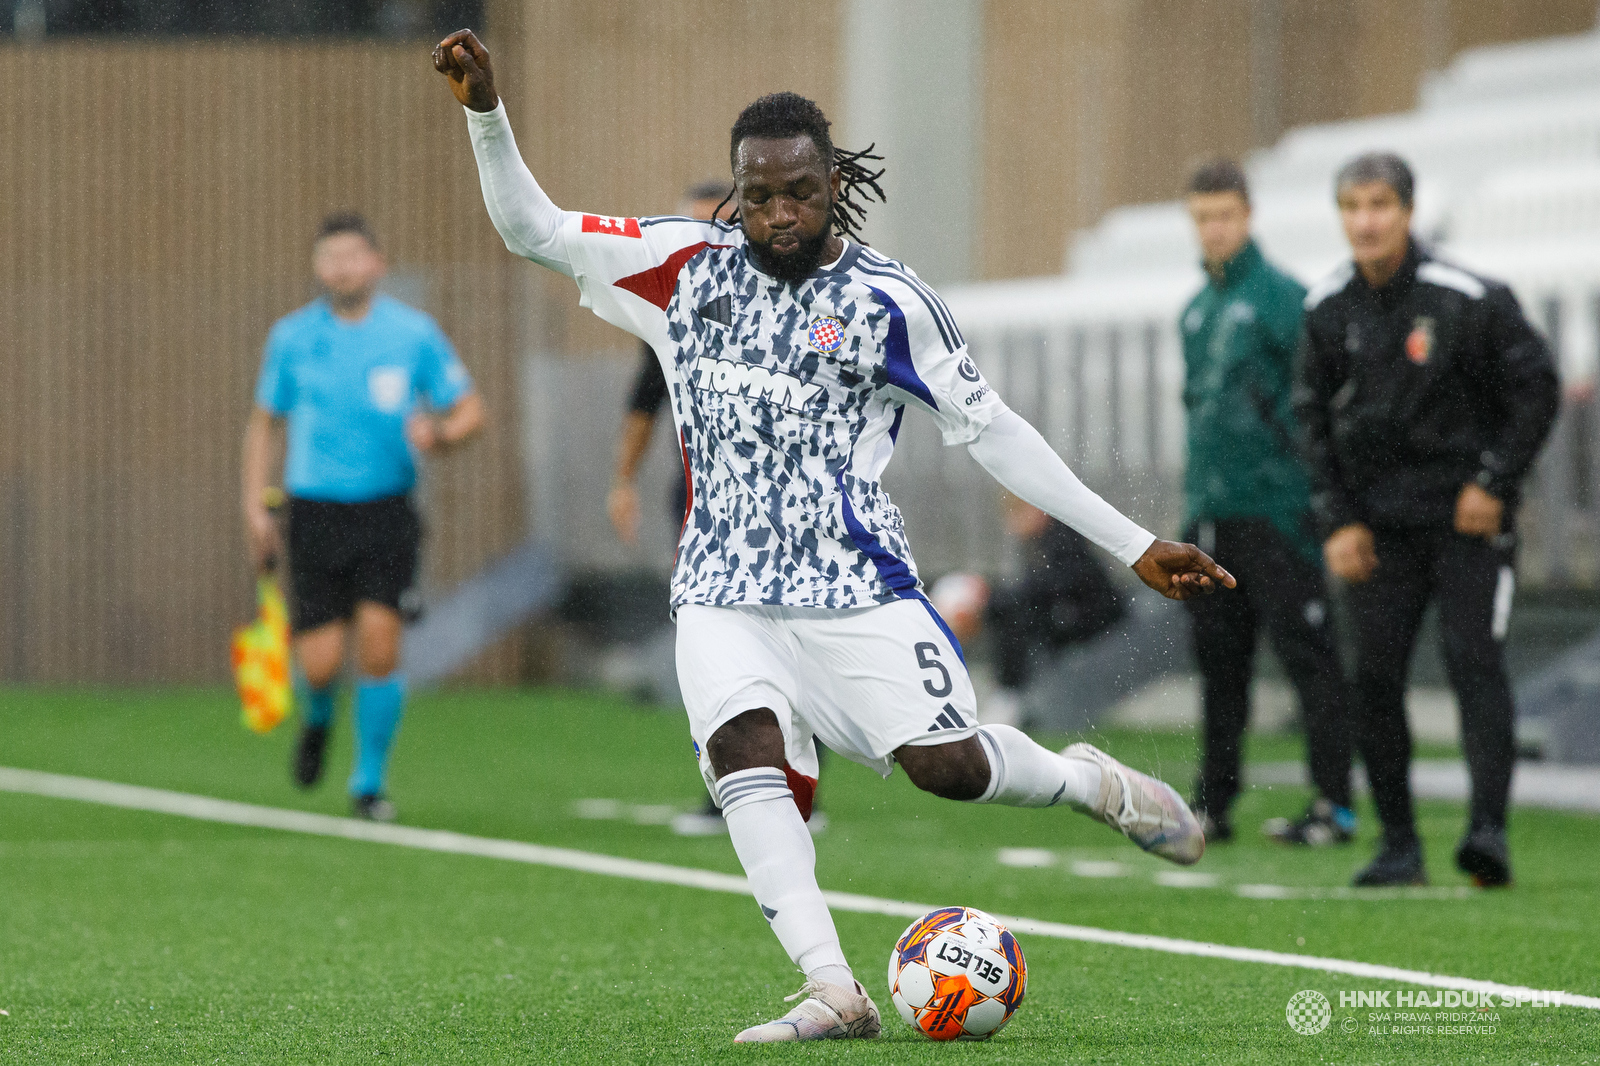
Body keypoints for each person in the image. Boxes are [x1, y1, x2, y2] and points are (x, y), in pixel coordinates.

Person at [435, 30, 1233, 1043]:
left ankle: (1089, 782)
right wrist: (485, 112)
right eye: (759, 194)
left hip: (855, 588)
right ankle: (831, 986)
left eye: (799, 192)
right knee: (741, 755)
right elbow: (532, 228)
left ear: (833, 184)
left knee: (951, 769)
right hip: (721, 588)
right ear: (736, 189)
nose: (778, 213)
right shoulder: (682, 269)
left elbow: (995, 434)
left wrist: (1131, 541)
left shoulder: (886, 304)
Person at [1295, 152, 1559, 887]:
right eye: (1351, 207)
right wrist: (1338, 522)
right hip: (1376, 530)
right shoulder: (1326, 308)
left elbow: (1536, 389)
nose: (1366, 221)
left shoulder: (1469, 298)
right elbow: (1308, 421)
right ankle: (1399, 846)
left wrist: (1495, 481)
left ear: (1407, 212)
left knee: (1476, 665)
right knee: (1373, 679)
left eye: (1379, 205)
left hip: (1468, 523)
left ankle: (1487, 838)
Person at [242, 211, 486, 822]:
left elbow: (469, 412)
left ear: (377, 263)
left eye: (354, 255)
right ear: (317, 267)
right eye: (330, 257)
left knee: (380, 649)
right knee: (319, 664)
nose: (342, 267)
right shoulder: (292, 337)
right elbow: (265, 422)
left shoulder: (414, 333)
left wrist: (441, 432)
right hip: (314, 512)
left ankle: (368, 783)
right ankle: (318, 720)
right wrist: (254, 505)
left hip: (387, 513)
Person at [1178, 159, 1356, 846]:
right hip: (1213, 516)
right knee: (1220, 666)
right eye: (1201, 218)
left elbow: (1319, 405)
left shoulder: (1286, 299)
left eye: (1223, 215)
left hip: (1279, 512)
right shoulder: (1195, 310)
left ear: (1247, 216)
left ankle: (1334, 805)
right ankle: (1214, 804)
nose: (1213, 230)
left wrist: (1318, 496)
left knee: (1309, 658)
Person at [936, 498, 1124, 728]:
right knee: (1011, 613)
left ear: (1034, 510)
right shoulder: (1045, 540)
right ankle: (1008, 695)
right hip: (1073, 615)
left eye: (1017, 514)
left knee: (1014, 618)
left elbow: (1055, 585)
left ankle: (1009, 696)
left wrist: (991, 599)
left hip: (1095, 620)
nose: (1013, 525)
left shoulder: (1061, 538)